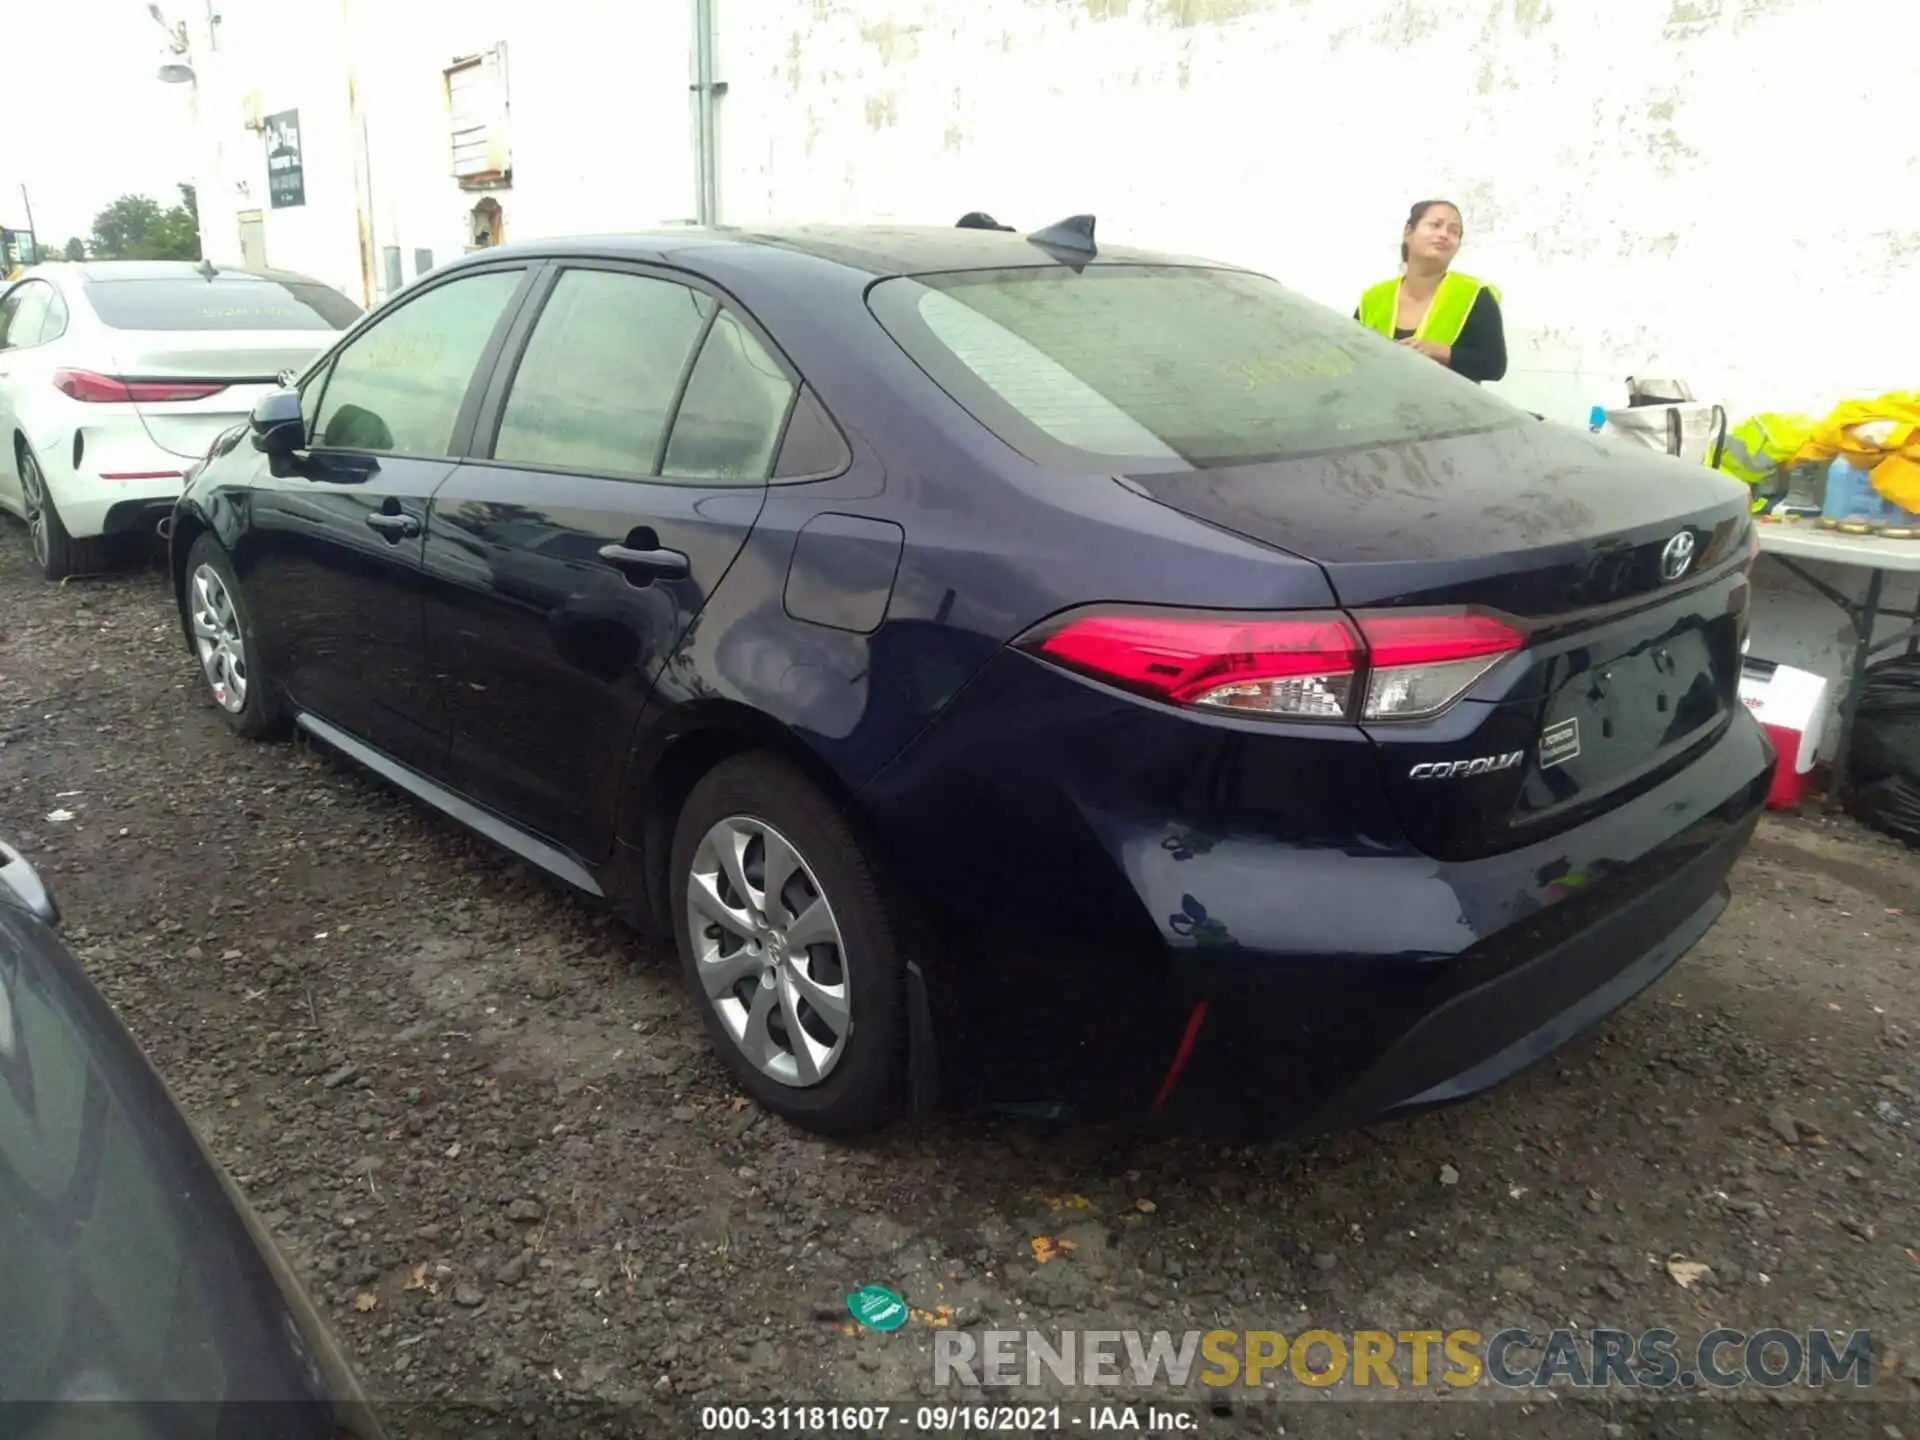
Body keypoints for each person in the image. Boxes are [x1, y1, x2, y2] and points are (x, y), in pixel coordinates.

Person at [1356, 199, 1507, 384]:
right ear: (1408, 232)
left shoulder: (1475, 295)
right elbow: (1350, 356)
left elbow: (1494, 366)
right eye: (1435, 225)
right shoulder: (1373, 298)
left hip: (1448, 410)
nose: (1444, 235)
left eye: (1454, 232)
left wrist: (1441, 352)